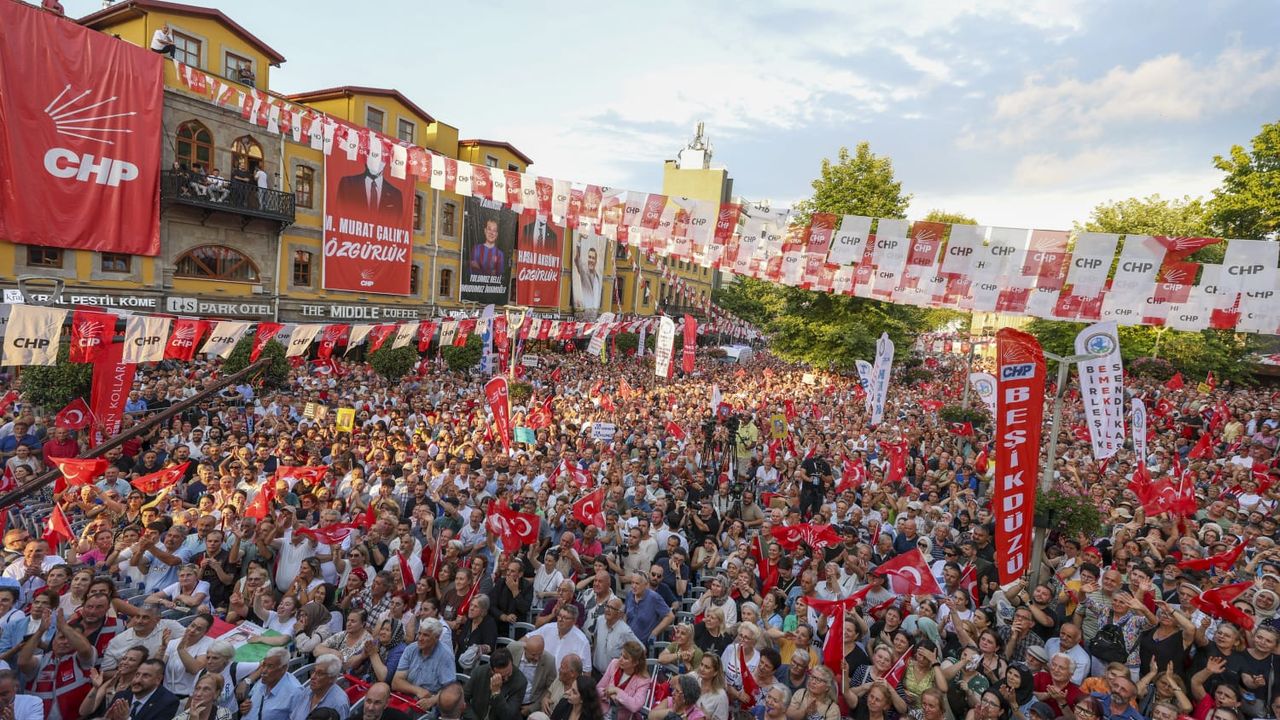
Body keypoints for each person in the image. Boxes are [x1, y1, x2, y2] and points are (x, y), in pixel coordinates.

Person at [392, 618, 456, 711]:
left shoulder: (445, 656)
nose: (420, 638)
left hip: (429, 706)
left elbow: (451, 690)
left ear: (437, 638)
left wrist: (431, 701)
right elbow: (396, 682)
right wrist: (417, 690)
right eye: (419, 633)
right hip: (406, 699)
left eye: (426, 635)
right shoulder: (411, 649)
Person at [335, 152, 403, 221]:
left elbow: (397, 222)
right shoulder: (347, 184)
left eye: (380, 157)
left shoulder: (396, 195)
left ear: (387, 160)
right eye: (372, 155)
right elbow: (338, 216)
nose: (375, 161)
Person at [105, 659, 180, 720]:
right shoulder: (121, 695)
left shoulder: (168, 702)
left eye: (145, 676)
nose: (137, 680)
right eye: (137, 674)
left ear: (158, 679)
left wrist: (127, 719)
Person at [464, 647, 527, 720]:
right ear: (492, 671)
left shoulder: (520, 682)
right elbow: (463, 699)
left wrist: (496, 693)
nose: (506, 679)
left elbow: (508, 716)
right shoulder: (479, 672)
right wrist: (473, 718)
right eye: (502, 677)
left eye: (509, 673)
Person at [242, 647, 305, 720]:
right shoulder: (265, 679)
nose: (263, 671)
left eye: (270, 666)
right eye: (263, 665)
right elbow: (250, 698)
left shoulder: (295, 693)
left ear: (283, 668)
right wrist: (244, 706)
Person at [593, 640, 651, 720]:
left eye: (625, 658)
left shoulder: (643, 680)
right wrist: (608, 695)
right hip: (601, 713)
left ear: (635, 663)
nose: (620, 659)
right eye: (621, 655)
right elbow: (597, 689)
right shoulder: (614, 664)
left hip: (621, 717)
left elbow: (635, 706)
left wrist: (617, 691)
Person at [290, 655, 350, 720]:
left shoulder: (339, 704)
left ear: (332, 678)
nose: (312, 677)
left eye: (319, 673)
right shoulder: (308, 690)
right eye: (313, 671)